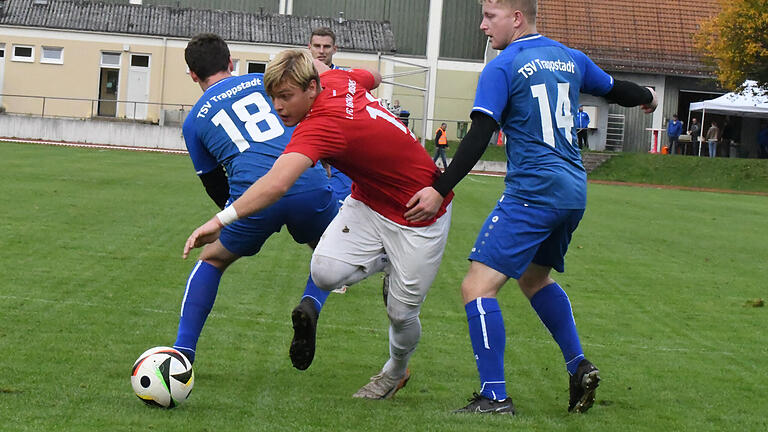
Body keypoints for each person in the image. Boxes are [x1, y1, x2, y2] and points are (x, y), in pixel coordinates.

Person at [404, 0, 657, 415]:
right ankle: (579, 365)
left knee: (476, 287)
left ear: (516, 18)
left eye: (490, 16)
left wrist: (441, 188)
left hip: (533, 190)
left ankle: (494, 396)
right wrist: (647, 94)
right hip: (573, 190)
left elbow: (481, 132)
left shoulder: (501, 67)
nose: (483, 26)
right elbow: (617, 90)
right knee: (535, 279)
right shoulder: (570, 57)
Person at [182, 49, 454, 400]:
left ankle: (395, 371)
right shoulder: (338, 79)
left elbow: (276, 183)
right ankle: (385, 260)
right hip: (369, 202)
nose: (278, 107)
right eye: (273, 98)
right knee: (324, 271)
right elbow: (373, 76)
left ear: (311, 88)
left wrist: (222, 219)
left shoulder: (321, 125)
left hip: (418, 212)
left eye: (285, 97)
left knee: (401, 315)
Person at [173, 33, 339, 369]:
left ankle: (181, 354)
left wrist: (237, 215)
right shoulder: (264, 81)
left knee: (212, 260)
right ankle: (310, 302)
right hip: (304, 176)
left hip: (254, 193)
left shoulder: (193, 122)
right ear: (231, 63)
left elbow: (215, 185)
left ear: (192, 75)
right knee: (332, 252)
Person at [308, 27, 353, 207]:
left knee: (339, 207)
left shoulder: (345, 78)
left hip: (339, 153)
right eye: (317, 46)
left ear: (335, 49)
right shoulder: (299, 78)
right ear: (309, 47)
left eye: (326, 46)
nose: (321, 51)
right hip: (309, 150)